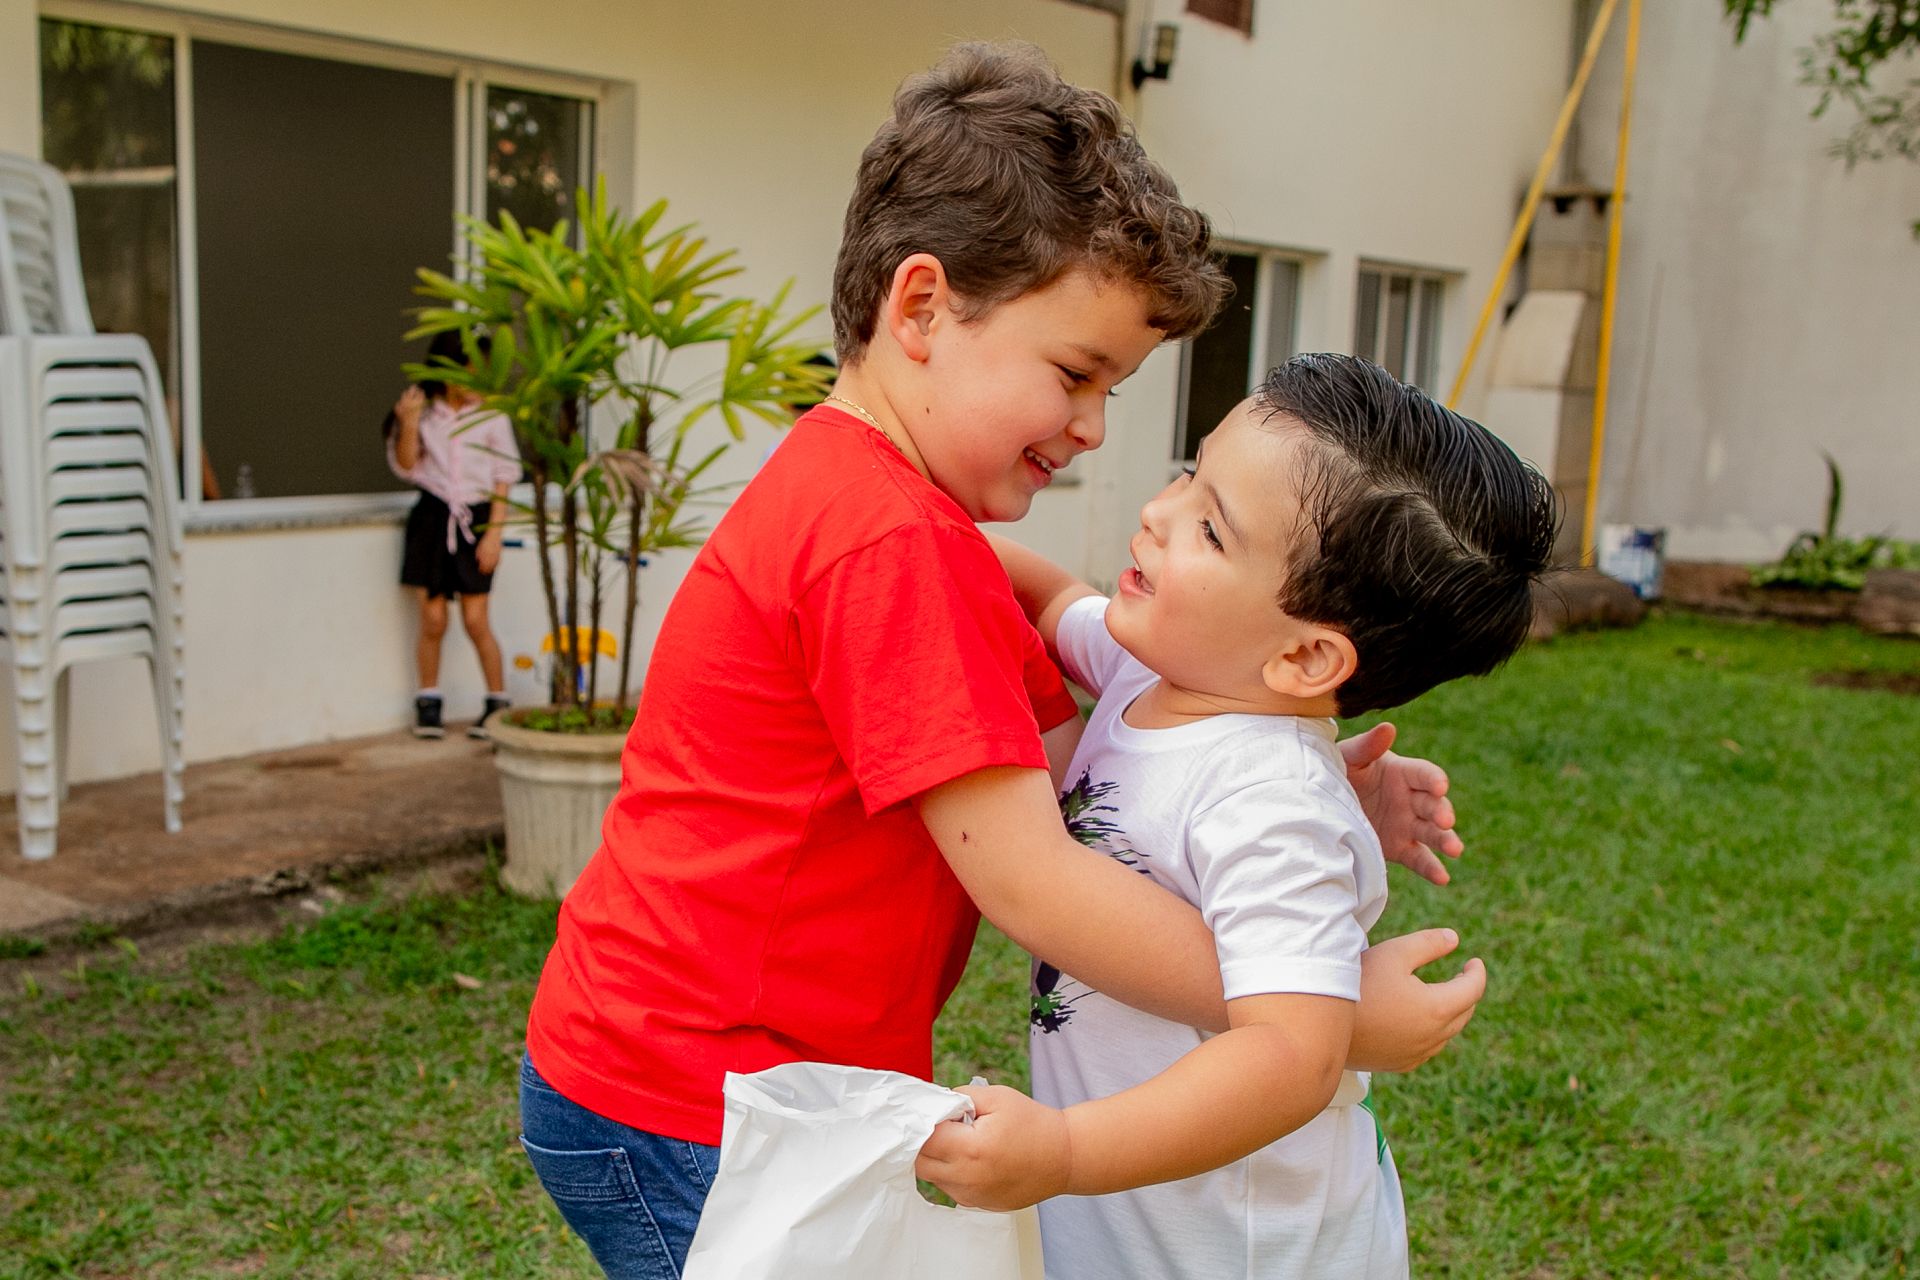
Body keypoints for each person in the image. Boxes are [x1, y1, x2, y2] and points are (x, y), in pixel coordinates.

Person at [517, 45, 1483, 1280]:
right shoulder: (885, 545)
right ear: (919, 308)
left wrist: (1289, 779)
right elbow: (1032, 877)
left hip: (700, 1065)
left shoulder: (898, 516)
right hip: (693, 1093)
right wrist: (1318, 1000)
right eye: (1075, 373)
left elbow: (1064, 777)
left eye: (1113, 389)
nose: (1091, 428)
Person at [920, 354, 1558, 1278]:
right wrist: (914, 534)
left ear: (1304, 660)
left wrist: (1063, 1151)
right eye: (1189, 474)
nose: (1159, 511)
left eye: (1211, 530)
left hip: (1236, 1245)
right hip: (1135, 1227)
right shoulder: (1164, 666)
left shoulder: (1272, 807)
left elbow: (1292, 1055)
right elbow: (1055, 599)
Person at [387, 330, 519, 739]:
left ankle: (497, 702)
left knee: (477, 618)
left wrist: (493, 535)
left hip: (476, 519)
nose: (474, 380)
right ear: (446, 370)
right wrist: (408, 422)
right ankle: (428, 702)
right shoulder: (425, 414)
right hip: (432, 516)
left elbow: (504, 477)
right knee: (432, 618)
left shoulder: (494, 416)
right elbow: (407, 466)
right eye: (467, 371)